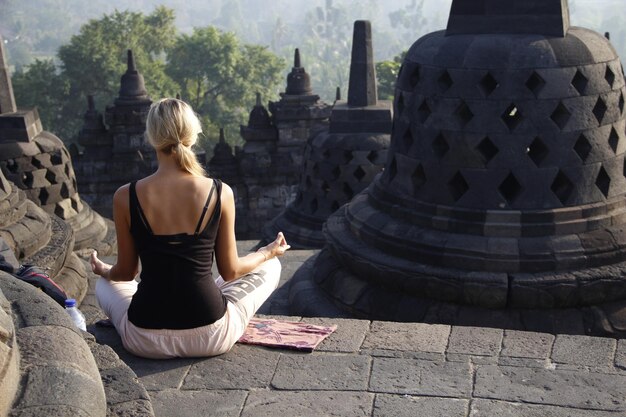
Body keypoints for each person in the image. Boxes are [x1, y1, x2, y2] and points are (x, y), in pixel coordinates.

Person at [90, 98, 290, 359]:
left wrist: (104, 270)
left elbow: (127, 273)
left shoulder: (125, 196)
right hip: (211, 334)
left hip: (143, 338)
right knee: (270, 267)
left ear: (152, 138)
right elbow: (231, 271)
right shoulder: (220, 192)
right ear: (193, 136)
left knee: (105, 284)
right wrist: (268, 252)